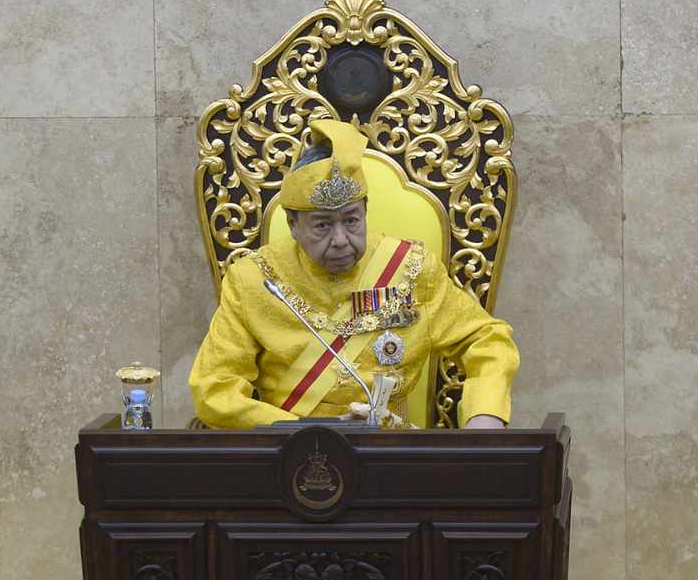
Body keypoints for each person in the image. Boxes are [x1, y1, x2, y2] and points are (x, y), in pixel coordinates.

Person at [189, 120, 519, 429]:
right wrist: (304, 431)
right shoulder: (253, 279)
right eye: (322, 225)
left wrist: (485, 413)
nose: (340, 240)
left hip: (387, 452)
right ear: (293, 225)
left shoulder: (411, 267)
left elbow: (487, 340)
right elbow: (214, 389)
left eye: (351, 220)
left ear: (365, 212)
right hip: (291, 448)